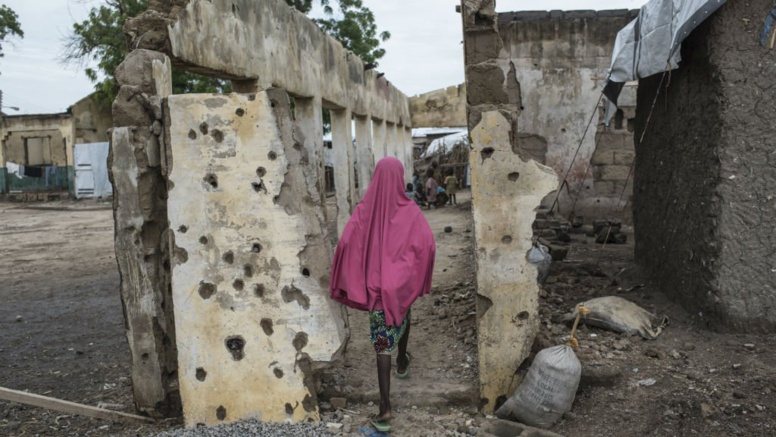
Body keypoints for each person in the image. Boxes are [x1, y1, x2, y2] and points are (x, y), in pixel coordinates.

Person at [330, 157, 436, 433]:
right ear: (400, 178)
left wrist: (354, 268)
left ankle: (386, 406)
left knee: (381, 344)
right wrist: (411, 273)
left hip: (377, 289)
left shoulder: (365, 208)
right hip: (400, 287)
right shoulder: (410, 210)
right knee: (404, 314)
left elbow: (345, 242)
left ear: (376, 176)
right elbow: (428, 244)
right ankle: (402, 360)